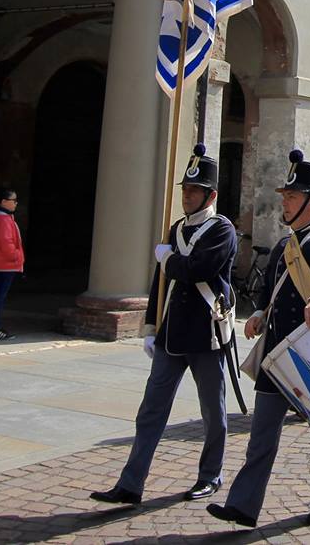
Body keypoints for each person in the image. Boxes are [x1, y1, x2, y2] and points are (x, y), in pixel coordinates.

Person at [208, 149, 310, 528]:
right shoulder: (284, 246)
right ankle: (243, 505)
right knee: (261, 436)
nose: (285, 202)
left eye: (292, 197)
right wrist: (258, 313)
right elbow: (270, 290)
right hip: (278, 352)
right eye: (286, 197)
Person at [90, 145, 237, 506]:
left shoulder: (222, 230)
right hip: (172, 334)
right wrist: (152, 326)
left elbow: (197, 270)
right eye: (185, 190)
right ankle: (131, 483)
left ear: (210, 195)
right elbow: (162, 283)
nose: (187, 196)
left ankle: (210, 475)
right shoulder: (175, 228)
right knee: (151, 410)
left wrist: (169, 257)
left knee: (212, 412)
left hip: (206, 333)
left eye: (194, 190)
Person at [0, 187, 24, 341]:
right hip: (4, 266)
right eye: (13, 200)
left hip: (0, 264)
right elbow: (6, 243)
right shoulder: (3, 219)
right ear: (3, 201)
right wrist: (17, 257)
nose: (16, 203)